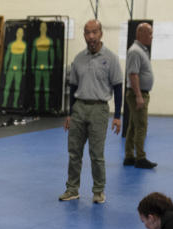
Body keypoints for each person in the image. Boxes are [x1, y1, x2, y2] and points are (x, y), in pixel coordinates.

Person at [59, 20, 123, 204]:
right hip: (79, 107)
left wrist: (117, 116)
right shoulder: (78, 58)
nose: (91, 37)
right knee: (74, 152)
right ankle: (72, 189)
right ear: (84, 35)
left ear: (101, 33)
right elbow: (73, 88)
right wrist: (70, 114)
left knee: (96, 154)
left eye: (94, 32)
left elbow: (118, 87)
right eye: (87, 33)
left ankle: (98, 191)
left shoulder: (110, 58)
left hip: (99, 108)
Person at [124, 22, 155, 169]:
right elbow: (133, 74)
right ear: (140, 34)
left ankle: (129, 156)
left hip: (140, 92)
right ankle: (140, 157)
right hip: (138, 93)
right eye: (149, 33)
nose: (151, 36)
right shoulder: (135, 51)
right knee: (141, 125)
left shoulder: (142, 50)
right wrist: (138, 96)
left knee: (133, 126)